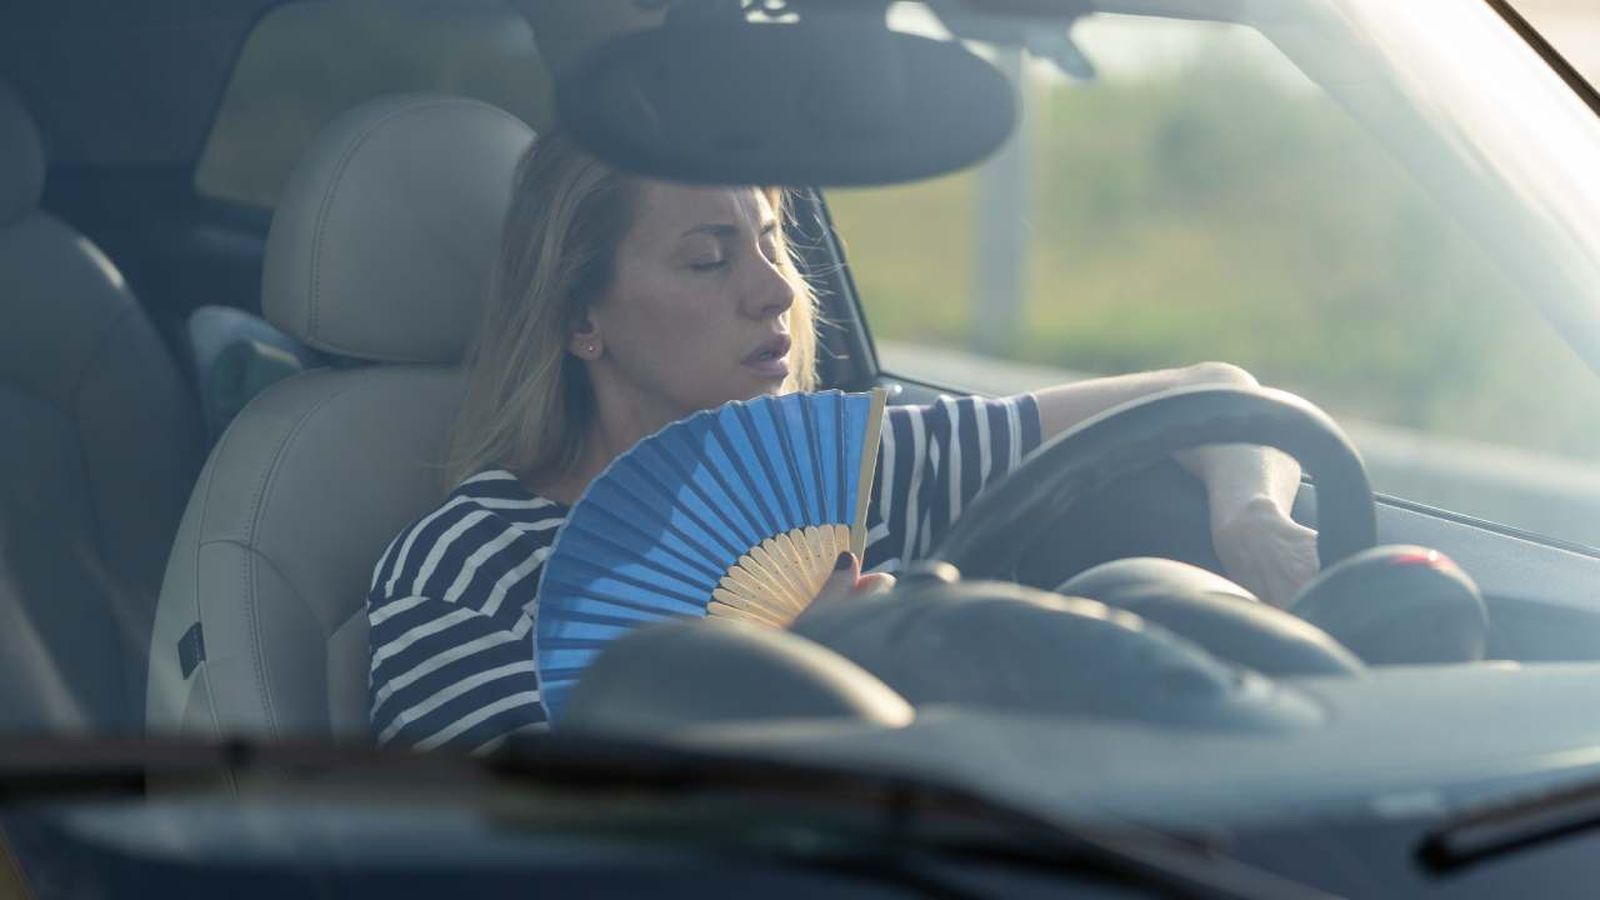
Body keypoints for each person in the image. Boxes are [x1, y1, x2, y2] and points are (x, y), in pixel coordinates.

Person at [366, 132, 1318, 753]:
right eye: (708, 258)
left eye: (773, 242)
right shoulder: (464, 569)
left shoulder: (865, 469)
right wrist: (795, 671)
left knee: (1146, 597)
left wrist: (1249, 516)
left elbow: (1212, 396)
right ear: (582, 320)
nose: (775, 290)